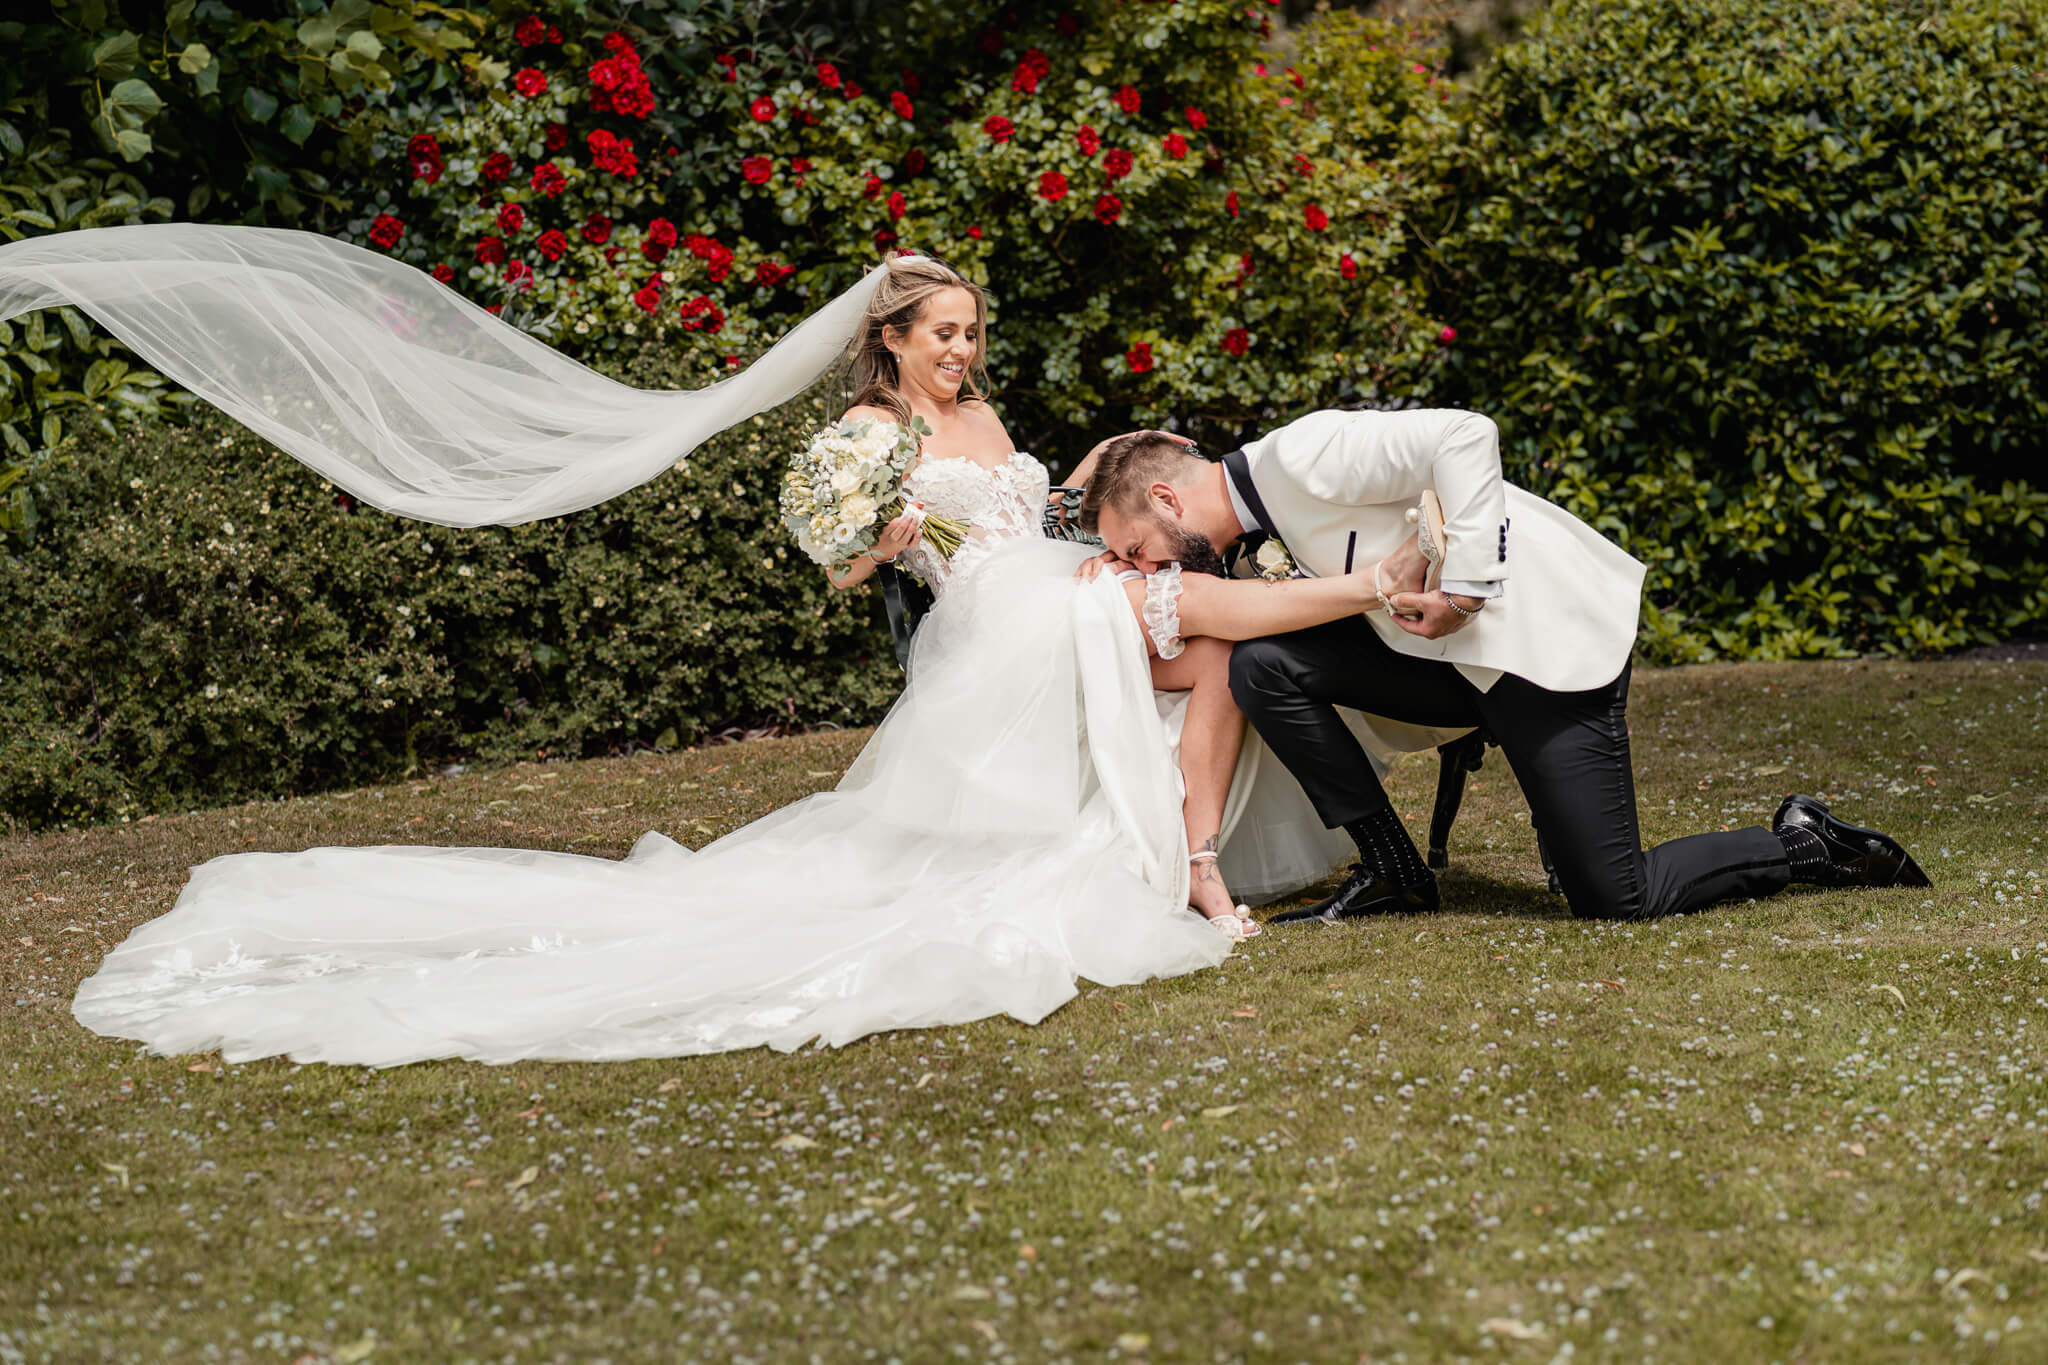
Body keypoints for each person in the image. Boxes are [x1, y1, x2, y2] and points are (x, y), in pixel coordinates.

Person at [35, 243, 1411, 1064]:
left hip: (1053, 579)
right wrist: (871, 539)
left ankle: (1196, 853)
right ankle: (1367, 598)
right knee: (1207, 617)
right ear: (892, 338)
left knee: (1212, 646)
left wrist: (1099, 495)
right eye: (946, 335)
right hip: (994, 613)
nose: (966, 353)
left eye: (974, 335)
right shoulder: (862, 445)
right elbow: (859, 559)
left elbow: (1033, 507)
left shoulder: (983, 419)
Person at [1078, 416, 1931, 924]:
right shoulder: (1252, 527)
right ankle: (1392, 870)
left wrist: (1467, 590)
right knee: (1263, 663)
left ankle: (1802, 841)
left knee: (1616, 897)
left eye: (1137, 550)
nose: (1149, 570)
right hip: (1444, 667)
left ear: (1167, 501)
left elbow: (1465, 433)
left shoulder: (1301, 454)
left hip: (1536, 649)